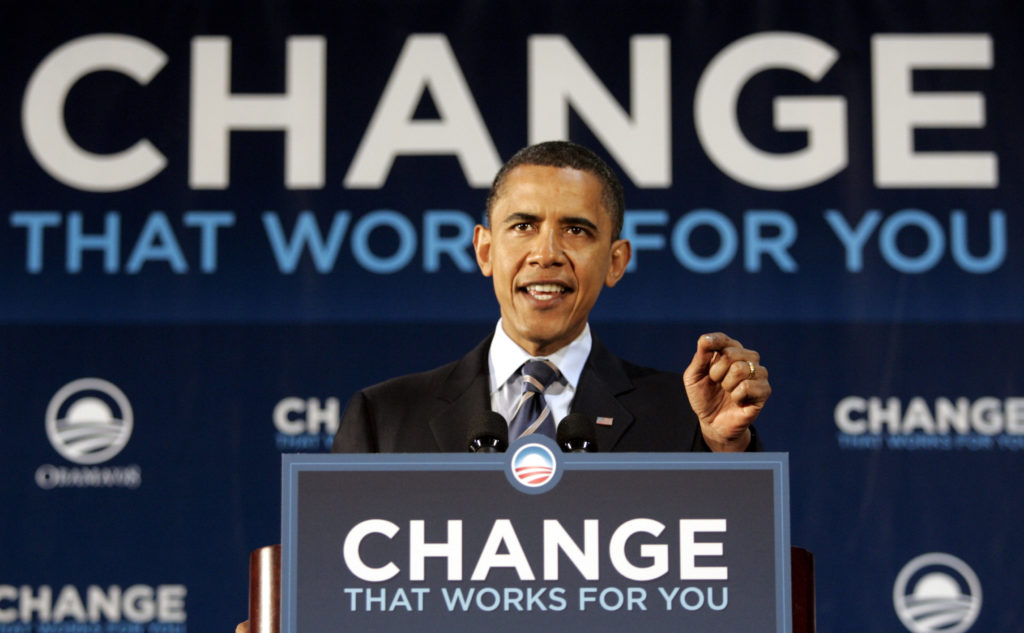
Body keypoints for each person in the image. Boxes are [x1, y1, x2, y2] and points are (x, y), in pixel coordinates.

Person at [332, 140, 770, 454]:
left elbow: (740, 566)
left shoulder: (685, 415)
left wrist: (723, 446)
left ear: (616, 261)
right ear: (486, 250)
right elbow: (335, 573)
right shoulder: (384, 418)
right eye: (523, 226)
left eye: (576, 230)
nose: (546, 254)